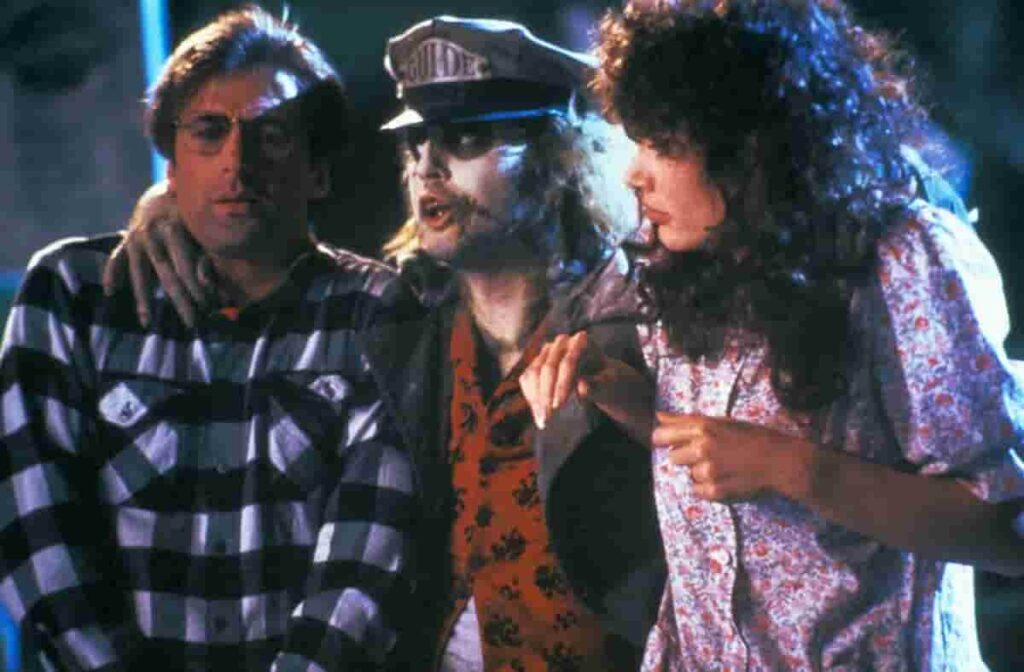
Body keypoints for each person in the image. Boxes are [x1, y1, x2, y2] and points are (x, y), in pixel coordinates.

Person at [105, 15, 667, 671]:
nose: (428, 167)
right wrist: (168, 202)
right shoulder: (399, 322)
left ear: (558, 159)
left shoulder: (641, 323)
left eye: (465, 138)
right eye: (414, 143)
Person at [521, 0, 1024, 669]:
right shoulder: (678, 255)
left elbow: (1004, 532)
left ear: (752, 149)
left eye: (663, 146)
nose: (633, 174)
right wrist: (627, 400)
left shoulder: (903, 257)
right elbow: (725, 466)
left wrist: (793, 467)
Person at [0, 7, 416, 670]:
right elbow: (37, 536)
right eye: (208, 132)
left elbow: (365, 561)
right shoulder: (75, 295)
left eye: (271, 134)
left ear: (318, 170)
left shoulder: (371, 312)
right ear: (170, 167)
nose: (236, 163)